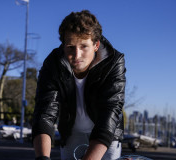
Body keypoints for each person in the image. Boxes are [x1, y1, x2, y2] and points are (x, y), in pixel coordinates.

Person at [32, 10, 126, 160]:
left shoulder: (113, 62)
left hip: (105, 134)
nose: (77, 55)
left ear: (96, 45)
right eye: (70, 47)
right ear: (63, 45)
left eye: (84, 46)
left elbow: (111, 108)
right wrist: (42, 157)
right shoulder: (53, 64)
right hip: (71, 133)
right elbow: (45, 112)